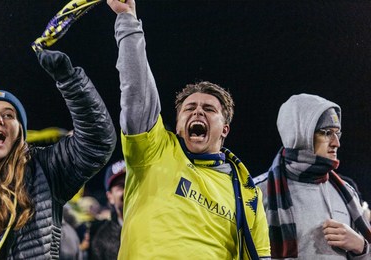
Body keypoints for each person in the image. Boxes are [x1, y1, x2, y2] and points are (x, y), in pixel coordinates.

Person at [106, 1, 271, 259]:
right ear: (180, 123)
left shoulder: (246, 191)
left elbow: (260, 255)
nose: (197, 112)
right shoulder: (154, 149)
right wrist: (127, 21)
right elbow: (137, 92)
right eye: (189, 108)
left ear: (225, 129)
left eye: (209, 109)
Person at [0, 49, 116, 259]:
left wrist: (70, 81)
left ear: (21, 132)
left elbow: (97, 142)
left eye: (9, 115)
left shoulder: (44, 168)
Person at [254, 93, 371, 259]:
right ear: (301, 134)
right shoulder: (257, 192)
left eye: (337, 133)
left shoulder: (347, 193)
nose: (336, 143)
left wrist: (361, 246)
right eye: (326, 132)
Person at [90, 159, 126, 260]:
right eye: (121, 186)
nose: (128, 190)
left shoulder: (154, 226)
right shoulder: (101, 238)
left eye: (131, 184)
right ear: (110, 196)